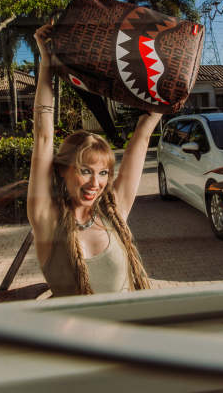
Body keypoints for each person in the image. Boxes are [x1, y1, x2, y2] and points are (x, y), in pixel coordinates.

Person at [27, 23, 162, 296]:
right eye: (85, 170)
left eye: (103, 173)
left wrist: (163, 89)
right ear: (63, 170)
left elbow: (142, 136)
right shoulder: (46, 219)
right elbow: (43, 136)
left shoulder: (115, 212)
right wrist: (47, 62)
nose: (95, 183)